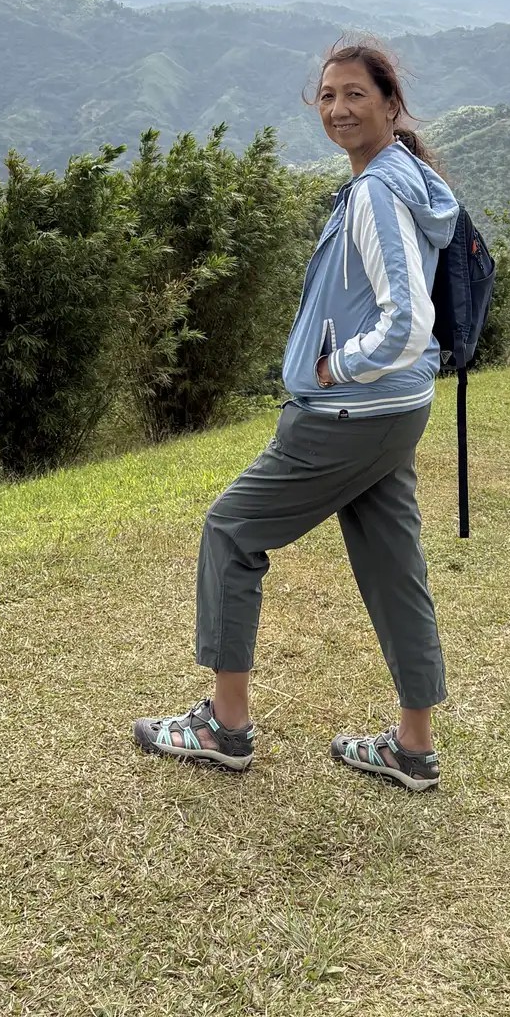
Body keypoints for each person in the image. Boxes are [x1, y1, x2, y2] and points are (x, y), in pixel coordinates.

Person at [134, 41, 459, 792]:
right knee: (392, 563)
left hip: (350, 411)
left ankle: (225, 726)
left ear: (388, 102)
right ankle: (413, 747)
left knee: (231, 528)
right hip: (396, 410)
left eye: (355, 95)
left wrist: (337, 367)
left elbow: (409, 321)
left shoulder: (379, 191)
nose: (338, 109)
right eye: (327, 96)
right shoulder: (406, 176)